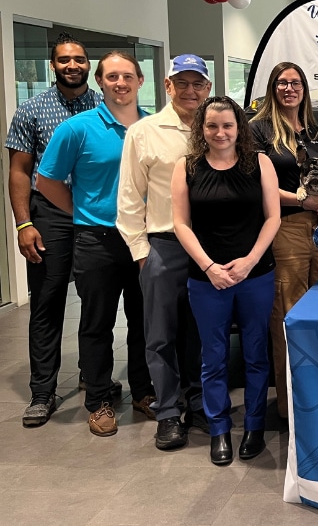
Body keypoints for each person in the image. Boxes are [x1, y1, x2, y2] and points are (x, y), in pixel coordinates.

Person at [35, 51, 156, 437]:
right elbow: (46, 181)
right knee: (96, 324)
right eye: (112, 77)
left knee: (144, 321)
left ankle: (143, 391)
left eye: (127, 76)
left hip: (143, 240)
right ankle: (99, 400)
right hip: (96, 240)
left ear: (140, 81)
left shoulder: (154, 126)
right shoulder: (76, 129)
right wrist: (81, 211)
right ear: (101, 83)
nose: (120, 84)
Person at [172, 96, 280, 465]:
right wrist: (208, 267)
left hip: (256, 275)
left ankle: (253, 426)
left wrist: (249, 262)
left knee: (255, 353)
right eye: (212, 126)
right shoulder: (186, 167)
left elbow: (273, 218)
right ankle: (219, 429)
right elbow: (181, 224)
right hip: (207, 279)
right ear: (201, 129)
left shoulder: (259, 163)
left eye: (228, 125)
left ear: (239, 128)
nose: (220, 133)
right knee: (213, 357)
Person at [6, 33, 103, 428]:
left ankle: (92, 376)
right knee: (47, 302)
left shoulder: (105, 106)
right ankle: (42, 392)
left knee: (97, 300)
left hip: (96, 211)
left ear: (88, 64)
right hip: (49, 214)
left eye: (79, 59)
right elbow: (18, 172)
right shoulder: (31, 110)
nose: (73, 66)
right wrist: (24, 222)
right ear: (53, 65)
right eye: (64, 60)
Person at [117, 55, 212, 451]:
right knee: (160, 336)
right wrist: (143, 254)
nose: (191, 91)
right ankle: (169, 413)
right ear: (168, 86)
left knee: (204, 332)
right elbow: (128, 199)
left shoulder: (219, 128)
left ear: (207, 87)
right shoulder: (145, 132)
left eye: (198, 84)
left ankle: (199, 403)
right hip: (164, 246)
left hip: (210, 249)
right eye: (182, 83)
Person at [250, 62, 318, 420]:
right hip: (288, 228)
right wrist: (302, 200)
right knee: (289, 314)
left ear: (304, 89)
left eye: (295, 83)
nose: (289, 88)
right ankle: (290, 409)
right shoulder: (259, 130)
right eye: (282, 83)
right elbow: (256, 184)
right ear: (272, 88)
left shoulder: (317, 131)